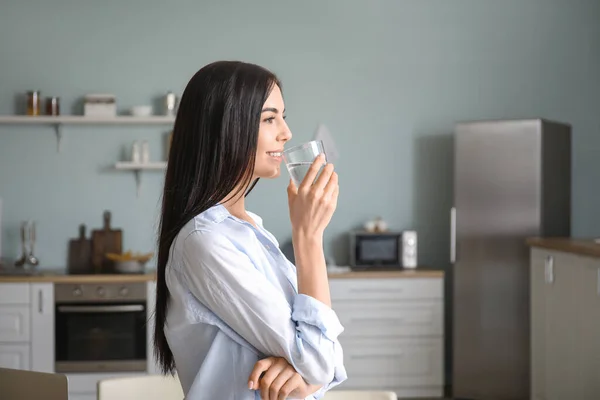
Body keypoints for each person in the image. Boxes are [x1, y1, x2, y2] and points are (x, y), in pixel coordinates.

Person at [153, 60, 347, 400]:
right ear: (226, 128)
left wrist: (306, 371)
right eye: (270, 118)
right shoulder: (205, 242)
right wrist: (309, 236)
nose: (286, 133)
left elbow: (324, 353)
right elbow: (319, 359)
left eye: (283, 117)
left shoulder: (251, 230)